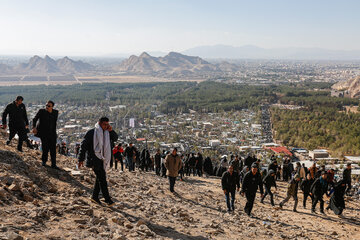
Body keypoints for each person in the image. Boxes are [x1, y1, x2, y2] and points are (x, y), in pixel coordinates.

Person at [78, 117, 118, 206]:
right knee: (102, 179)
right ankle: (107, 199)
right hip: (94, 159)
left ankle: (94, 197)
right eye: (104, 124)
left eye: (107, 124)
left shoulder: (107, 133)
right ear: (99, 123)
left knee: (99, 178)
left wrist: (111, 131)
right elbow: (83, 146)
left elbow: (115, 138)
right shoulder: (92, 132)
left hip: (103, 160)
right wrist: (81, 159)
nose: (106, 126)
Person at [32, 100, 59, 169]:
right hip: (44, 133)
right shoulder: (42, 111)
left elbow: (54, 123)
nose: (47, 107)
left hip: (52, 133)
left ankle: (54, 164)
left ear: (52, 107)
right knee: (45, 147)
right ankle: (44, 161)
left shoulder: (55, 112)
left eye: (49, 106)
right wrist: (34, 127)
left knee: (53, 149)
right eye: (46, 105)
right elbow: (34, 119)